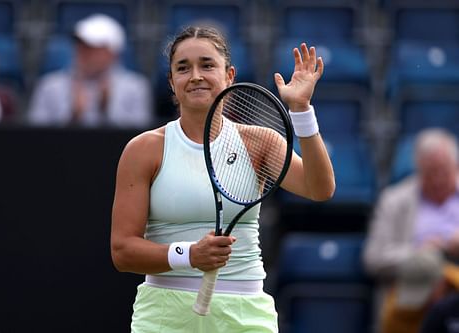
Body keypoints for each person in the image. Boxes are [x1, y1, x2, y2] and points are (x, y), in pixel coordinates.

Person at [110, 25, 335, 332]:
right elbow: (122, 251)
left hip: (246, 314)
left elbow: (319, 188)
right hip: (164, 314)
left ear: (229, 75)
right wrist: (190, 255)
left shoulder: (260, 142)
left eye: (207, 65)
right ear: (172, 83)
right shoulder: (143, 150)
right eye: (183, 68)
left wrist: (301, 110)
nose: (196, 76)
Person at [363, 128, 459, 333]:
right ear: (419, 170)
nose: (439, 179)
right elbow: (374, 258)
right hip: (411, 300)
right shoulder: (394, 200)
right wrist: (420, 252)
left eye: (445, 171)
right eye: (431, 172)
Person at [28, 14, 153, 128]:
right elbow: (35, 137)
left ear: (112, 53)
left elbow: (141, 138)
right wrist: (73, 116)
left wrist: (106, 109)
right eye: (81, 45)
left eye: (92, 48)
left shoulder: (136, 87)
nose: (83, 52)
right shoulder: (49, 86)